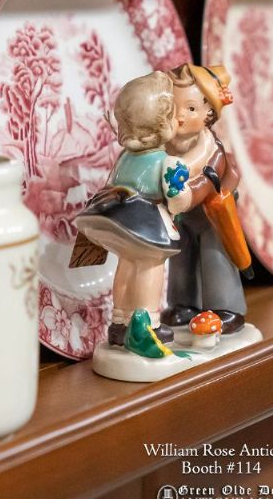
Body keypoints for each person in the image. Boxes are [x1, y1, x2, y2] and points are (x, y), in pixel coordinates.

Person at [74, 71, 191, 352]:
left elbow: (112, 183)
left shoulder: (124, 157)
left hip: (116, 219)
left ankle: (119, 321)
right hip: (146, 225)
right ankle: (146, 321)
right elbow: (178, 201)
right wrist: (182, 190)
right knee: (149, 267)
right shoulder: (168, 162)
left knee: (126, 264)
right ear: (165, 125)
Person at [160, 64, 247, 334]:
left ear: (209, 113)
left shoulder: (210, 148)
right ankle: (184, 304)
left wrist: (194, 195)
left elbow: (214, 178)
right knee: (181, 256)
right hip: (181, 211)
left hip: (212, 209)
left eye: (191, 109)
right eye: (173, 109)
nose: (180, 117)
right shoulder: (166, 146)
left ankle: (226, 308)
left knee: (215, 256)